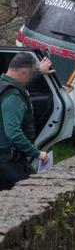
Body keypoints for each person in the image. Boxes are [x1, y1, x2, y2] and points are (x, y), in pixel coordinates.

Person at [0, 53, 52, 190]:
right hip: (7, 161)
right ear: (23, 71)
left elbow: (19, 80)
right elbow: (13, 132)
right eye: (29, 74)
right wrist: (36, 153)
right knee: (32, 190)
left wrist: (38, 71)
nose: (29, 79)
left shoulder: (3, 84)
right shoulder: (13, 96)